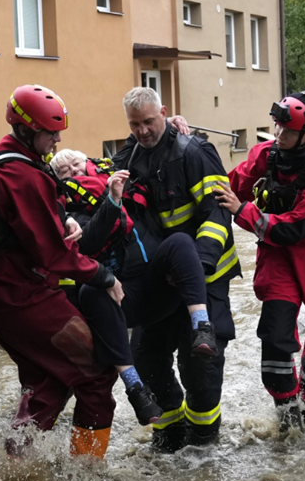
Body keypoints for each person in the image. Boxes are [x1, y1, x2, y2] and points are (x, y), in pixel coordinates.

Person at [0, 84, 158, 460]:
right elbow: (53, 255)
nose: (56, 140)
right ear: (26, 130)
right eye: (50, 133)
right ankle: (85, 473)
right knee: (97, 372)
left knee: (48, 378)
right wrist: (104, 276)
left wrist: (63, 218)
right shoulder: (21, 174)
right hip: (21, 296)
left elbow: (15, 223)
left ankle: (16, 463)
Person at [110, 87, 239, 451]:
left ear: (164, 113)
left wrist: (197, 264)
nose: (143, 131)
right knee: (146, 357)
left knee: (201, 366)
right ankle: (168, 435)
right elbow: (99, 177)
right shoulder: (130, 155)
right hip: (159, 279)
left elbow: (217, 214)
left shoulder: (194, 152)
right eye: (135, 125)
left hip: (205, 276)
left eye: (149, 122)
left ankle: (203, 444)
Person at [215, 91, 305, 431]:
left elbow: (295, 229)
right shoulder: (268, 154)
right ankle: (287, 414)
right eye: (277, 128)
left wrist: (243, 212)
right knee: (274, 338)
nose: (279, 136)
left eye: (287, 132)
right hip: (278, 258)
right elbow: (232, 185)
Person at [49, 148, 218, 359]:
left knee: (180, 242)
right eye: (65, 171)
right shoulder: (70, 214)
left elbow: (139, 143)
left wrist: (169, 124)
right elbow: (88, 242)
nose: (74, 171)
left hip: (162, 284)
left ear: (88, 162)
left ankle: (202, 326)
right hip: (124, 297)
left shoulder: (120, 177)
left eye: (76, 164)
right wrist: (112, 201)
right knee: (90, 293)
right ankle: (133, 385)